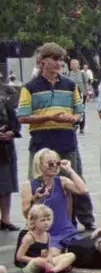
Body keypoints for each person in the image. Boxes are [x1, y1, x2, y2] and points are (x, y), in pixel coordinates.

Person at [23, 148, 101, 268]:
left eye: (57, 163)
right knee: (53, 255)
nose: (54, 166)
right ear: (39, 165)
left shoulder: (61, 181)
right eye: (50, 163)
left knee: (92, 247)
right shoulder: (29, 185)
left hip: (67, 232)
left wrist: (69, 170)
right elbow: (26, 214)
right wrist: (35, 199)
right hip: (47, 234)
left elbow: (83, 190)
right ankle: (56, 264)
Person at [18, 43, 83, 179]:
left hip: (67, 142)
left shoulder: (70, 85)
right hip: (41, 143)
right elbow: (23, 117)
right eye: (54, 59)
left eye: (60, 59)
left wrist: (74, 118)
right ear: (42, 61)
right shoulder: (29, 87)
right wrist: (50, 117)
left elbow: (79, 113)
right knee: (39, 186)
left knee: (70, 187)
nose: (58, 63)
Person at [15, 204, 75, 273]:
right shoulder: (29, 237)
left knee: (71, 255)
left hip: (45, 261)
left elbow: (48, 251)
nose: (47, 223)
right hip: (31, 265)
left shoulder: (47, 235)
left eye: (48, 219)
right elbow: (19, 257)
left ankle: (53, 270)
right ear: (33, 222)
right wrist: (35, 260)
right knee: (40, 261)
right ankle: (58, 268)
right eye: (42, 220)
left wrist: (49, 257)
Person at [0, 78, 18, 231]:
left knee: (6, 184)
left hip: (4, 145)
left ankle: (5, 219)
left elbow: (15, 117)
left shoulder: (8, 91)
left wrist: (12, 131)